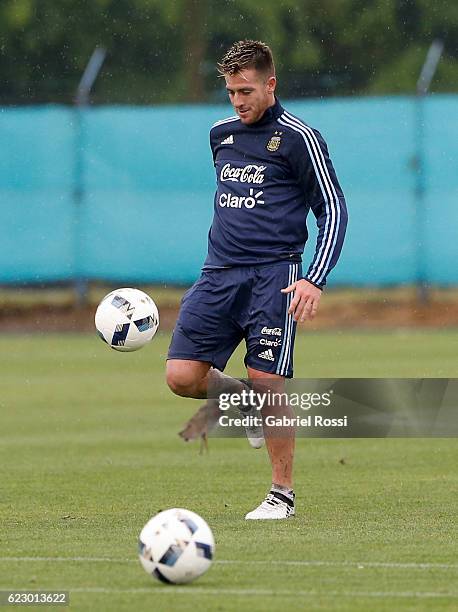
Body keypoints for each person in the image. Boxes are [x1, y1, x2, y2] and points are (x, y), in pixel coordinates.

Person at [166, 40, 347, 519]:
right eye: (230, 91)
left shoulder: (299, 138)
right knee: (181, 378)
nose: (238, 101)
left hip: (275, 275)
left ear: (270, 84)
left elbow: (333, 210)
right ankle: (237, 399)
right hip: (218, 273)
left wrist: (315, 278)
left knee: (268, 379)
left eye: (246, 90)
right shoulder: (220, 134)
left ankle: (281, 495)